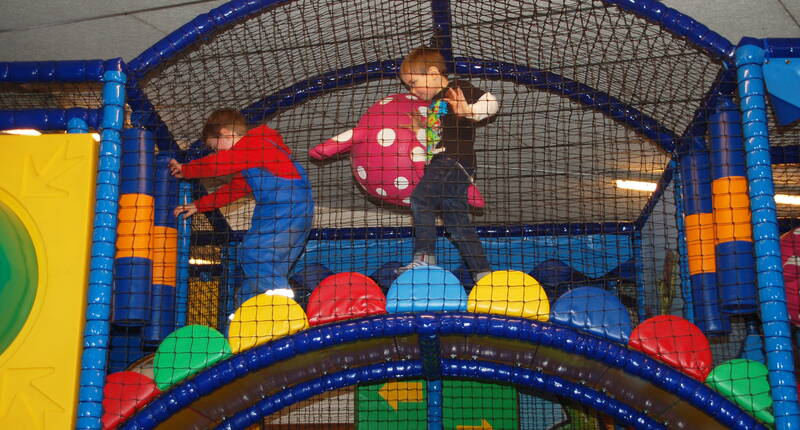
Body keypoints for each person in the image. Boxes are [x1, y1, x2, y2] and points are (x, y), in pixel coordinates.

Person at [169, 109, 314, 304]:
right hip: (287, 212)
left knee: (253, 253)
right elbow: (235, 189)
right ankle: (246, 309)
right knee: (264, 269)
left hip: (285, 207)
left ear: (225, 133)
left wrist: (187, 170)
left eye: (216, 147)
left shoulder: (254, 144)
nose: (218, 153)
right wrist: (199, 205)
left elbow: (219, 164)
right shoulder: (254, 159)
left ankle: (283, 302)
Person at [396, 46, 499, 282]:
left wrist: (470, 111)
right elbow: (437, 137)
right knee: (457, 224)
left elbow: (491, 101)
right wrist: (420, 130)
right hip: (449, 165)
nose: (412, 90)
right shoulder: (435, 104)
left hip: (453, 160)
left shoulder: (456, 88)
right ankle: (483, 274)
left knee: (420, 198)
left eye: (413, 83)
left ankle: (425, 256)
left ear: (433, 73)